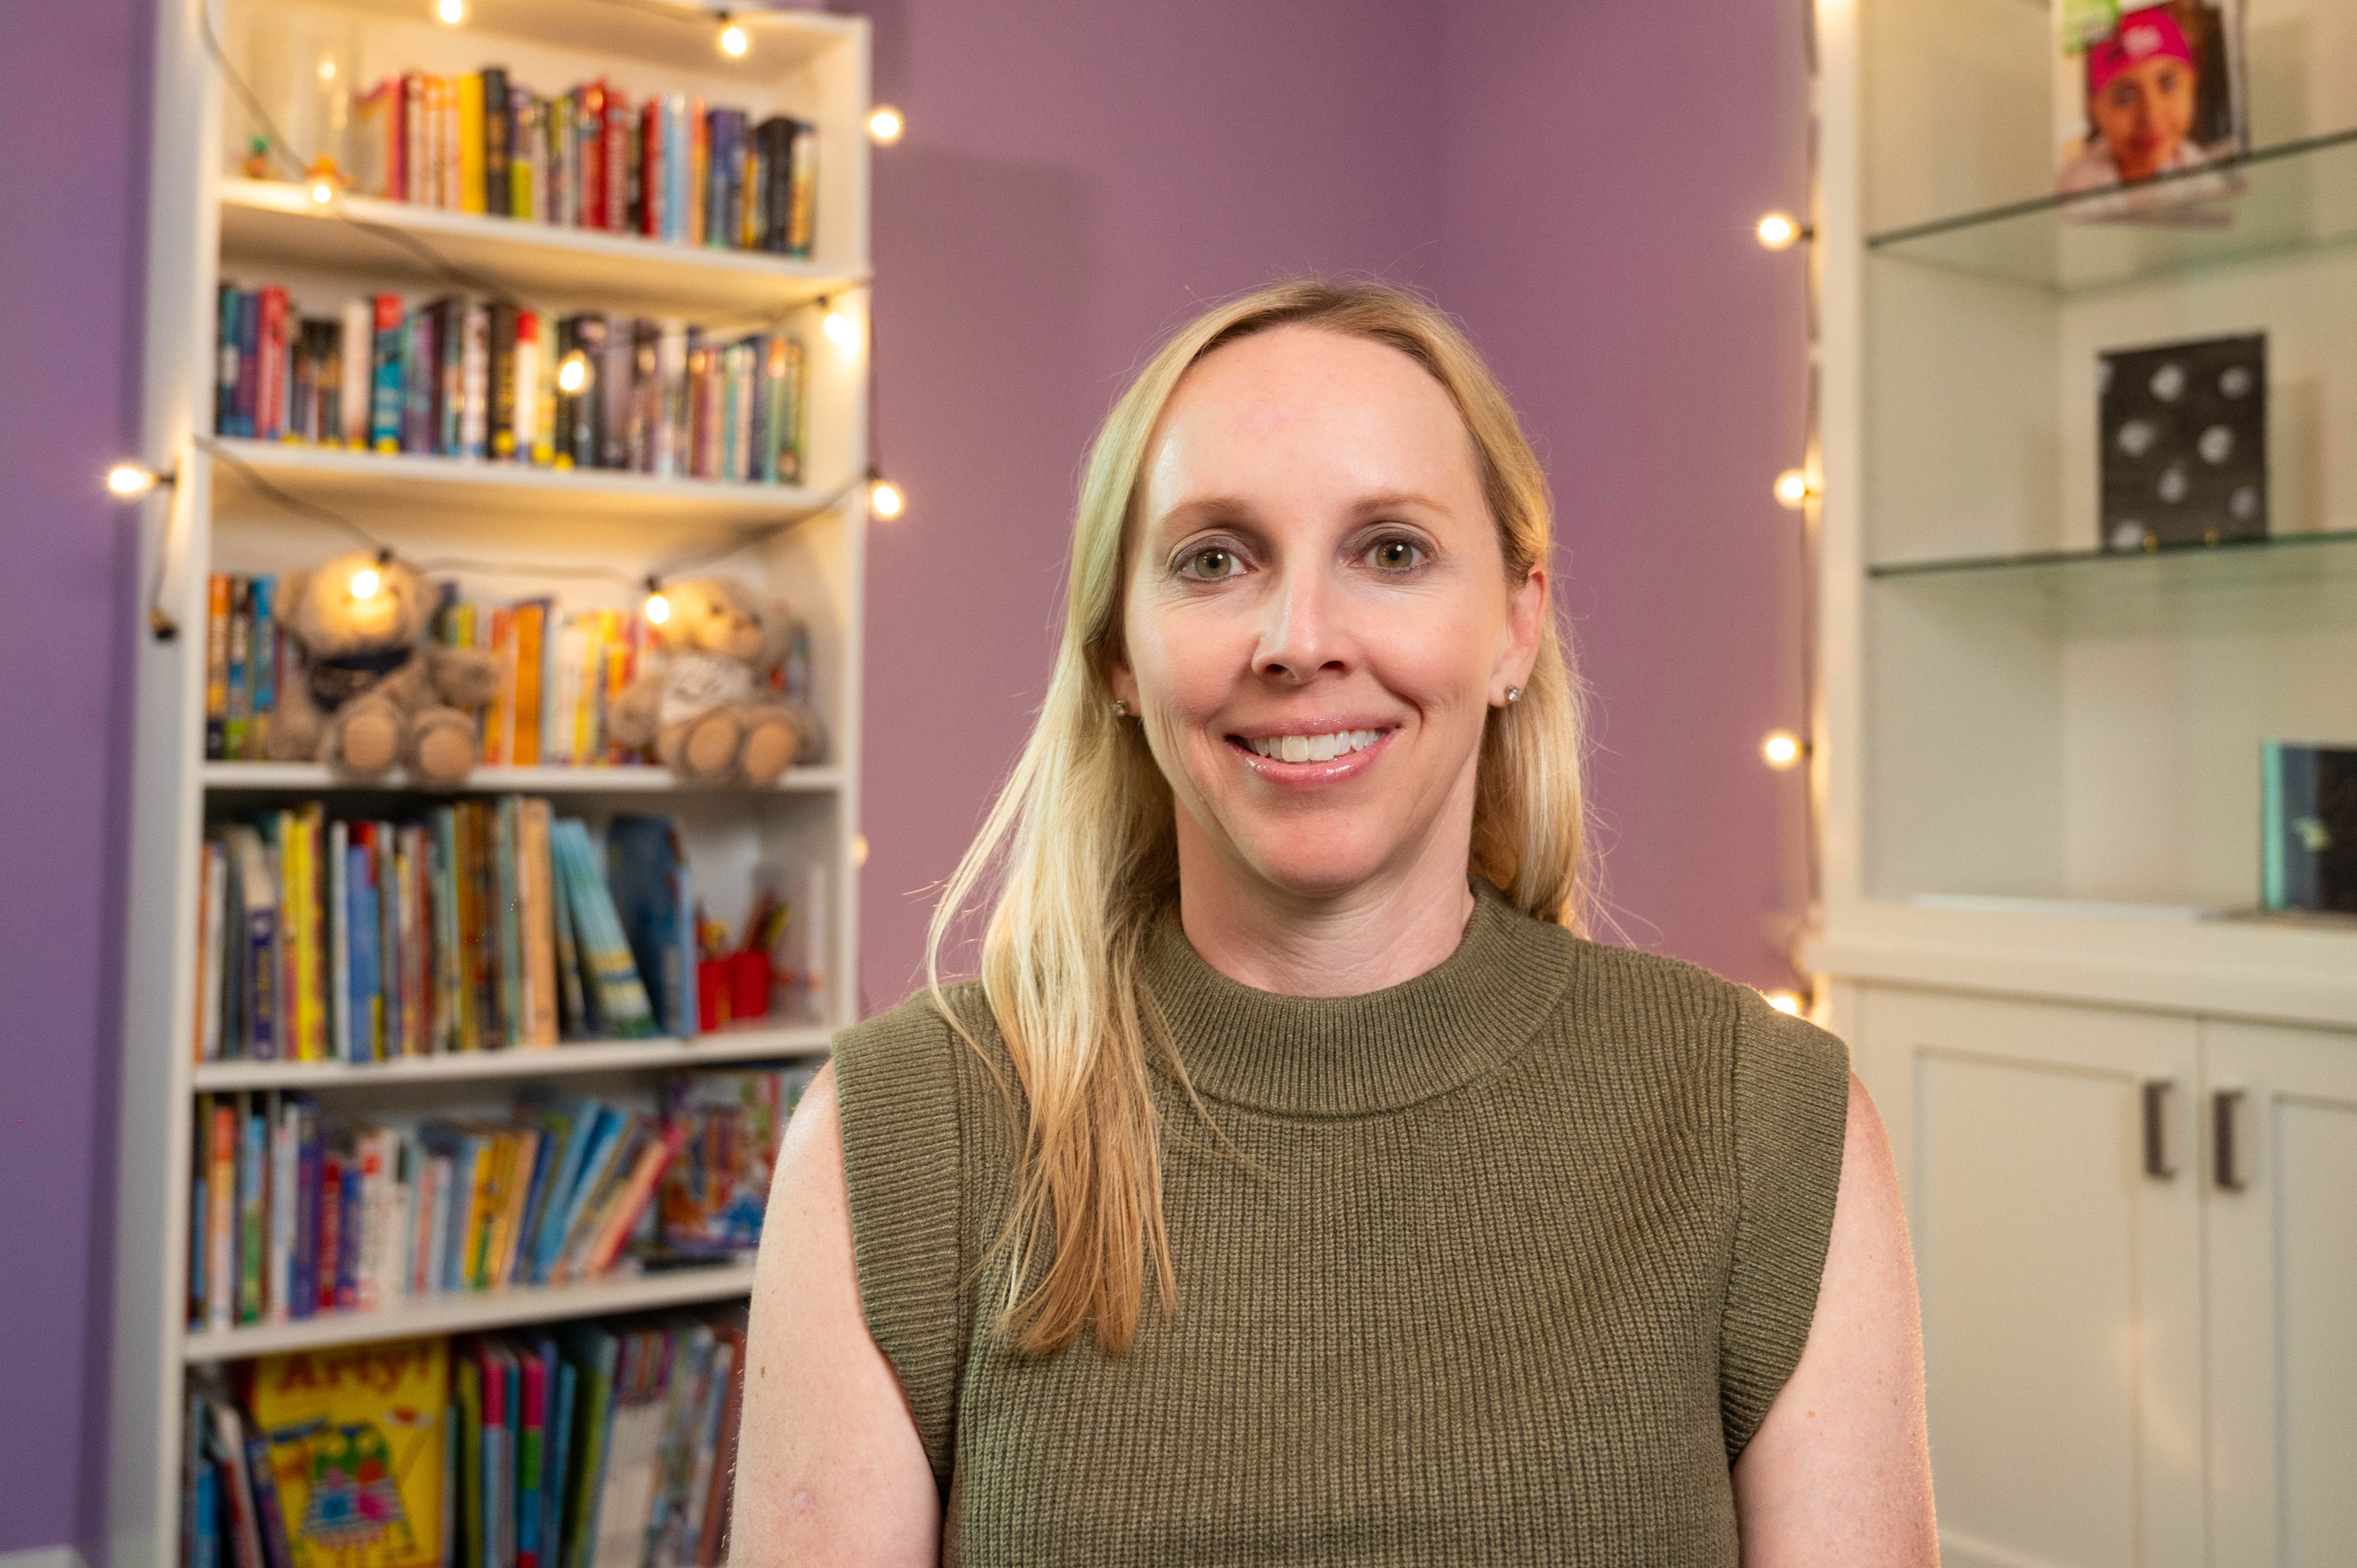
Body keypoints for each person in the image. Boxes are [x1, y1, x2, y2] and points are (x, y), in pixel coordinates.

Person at [729, 280, 1938, 1565]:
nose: (1299, 639)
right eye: (1214, 558)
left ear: (1517, 624)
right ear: (1121, 655)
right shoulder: (896, 1131)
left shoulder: (1767, 1116)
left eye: (1393, 550)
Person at [2058, 5, 2210, 191]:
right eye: (2125, 98)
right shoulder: (2076, 191)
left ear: (2192, 80)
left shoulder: (2199, 172)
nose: (2151, 115)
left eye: (2168, 84)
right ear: (2095, 109)